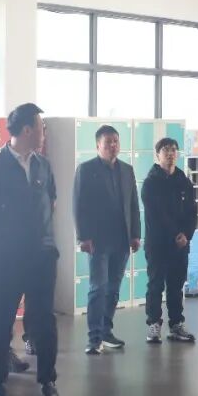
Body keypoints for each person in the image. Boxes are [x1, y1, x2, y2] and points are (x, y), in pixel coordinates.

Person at [0, 103, 59, 396]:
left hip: (42, 256)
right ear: (27, 130)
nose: (43, 132)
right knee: (3, 320)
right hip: (7, 260)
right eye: (40, 127)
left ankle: (47, 379)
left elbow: (51, 202)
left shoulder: (43, 165)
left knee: (45, 321)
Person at [73, 125, 141, 355]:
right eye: (108, 142)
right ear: (98, 145)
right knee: (98, 288)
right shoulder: (86, 169)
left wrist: (135, 234)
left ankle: (106, 331)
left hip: (121, 239)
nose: (113, 145)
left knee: (113, 289)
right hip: (98, 241)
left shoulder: (127, 170)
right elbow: (78, 205)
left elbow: (133, 204)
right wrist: (83, 236)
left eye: (115, 141)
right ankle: (94, 338)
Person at [142, 137, 197, 344]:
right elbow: (157, 214)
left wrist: (187, 234)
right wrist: (176, 234)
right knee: (155, 284)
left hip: (180, 244)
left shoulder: (184, 181)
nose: (171, 153)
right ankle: (153, 324)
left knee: (176, 285)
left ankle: (176, 325)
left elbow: (192, 212)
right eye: (166, 150)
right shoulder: (150, 183)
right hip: (158, 243)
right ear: (157, 155)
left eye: (174, 149)